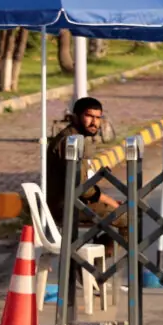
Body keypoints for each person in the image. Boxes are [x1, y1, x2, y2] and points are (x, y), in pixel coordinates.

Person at [45, 97, 124, 238]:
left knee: (117, 217)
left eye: (98, 118)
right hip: (66, 206)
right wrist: (109, 201)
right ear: (75, 117)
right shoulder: (70, 142)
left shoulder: (77, 138)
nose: (94, 122)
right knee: (127, 217)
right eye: (89, 116)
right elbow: (83, 188)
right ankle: (128, 259)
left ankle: (99, 256)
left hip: (75, 201)